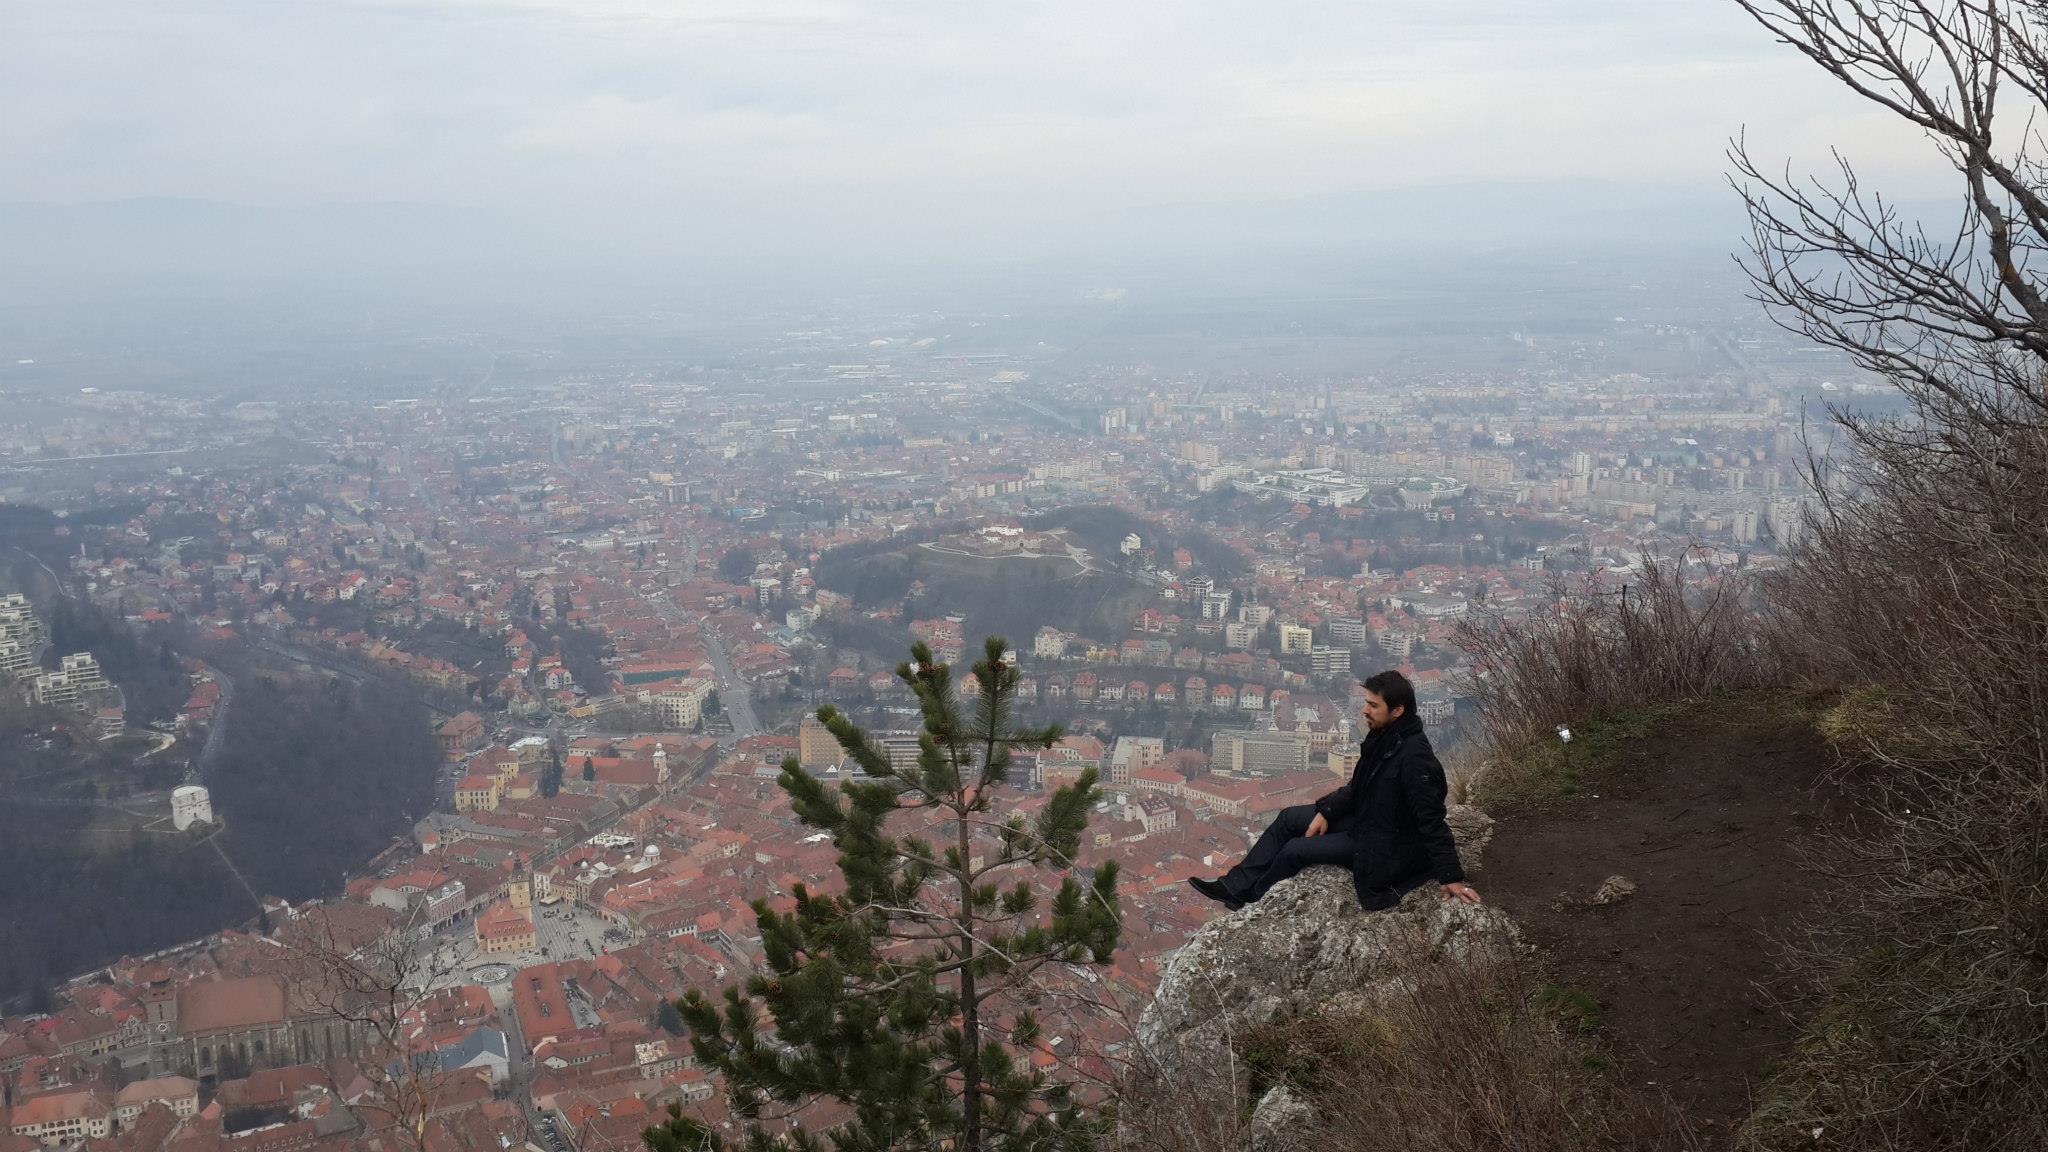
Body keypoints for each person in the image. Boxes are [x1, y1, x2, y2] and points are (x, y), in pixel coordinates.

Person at [1189, 669, 1479, 912]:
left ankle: (1253, 901)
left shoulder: (1415, 758)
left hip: (1384, 846)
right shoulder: (1385, 738)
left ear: (1398, 711)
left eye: (1373, 705)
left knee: (1294, 850)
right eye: (1366, 703)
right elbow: (1357, 787)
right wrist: (1326, 812)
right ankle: (1233, 886)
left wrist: (1451, 876)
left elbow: (1431, 820)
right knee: (1288, 818)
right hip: (1368, 822)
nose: (1365, 710)